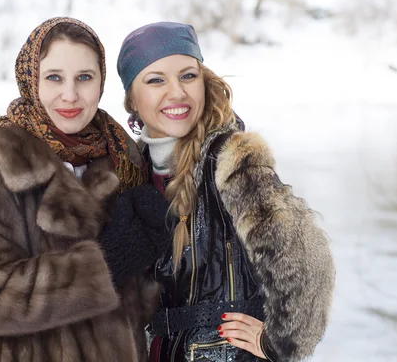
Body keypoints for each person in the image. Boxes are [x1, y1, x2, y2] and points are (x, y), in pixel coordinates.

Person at [0, 17, 171, 362]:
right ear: (31, 80)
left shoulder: (121, 156)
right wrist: (103, 265)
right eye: (54, 77)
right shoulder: (1, 164)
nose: (70, 95)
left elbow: (140, 302)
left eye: (84, 77)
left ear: (101, 82)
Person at [116, 22, 336, 362]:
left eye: (188, 76)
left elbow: (306, 263)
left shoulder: (232, 160)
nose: (176, 92)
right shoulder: (133, 172)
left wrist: (277, 343)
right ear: (132, 97)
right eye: (156, 79)